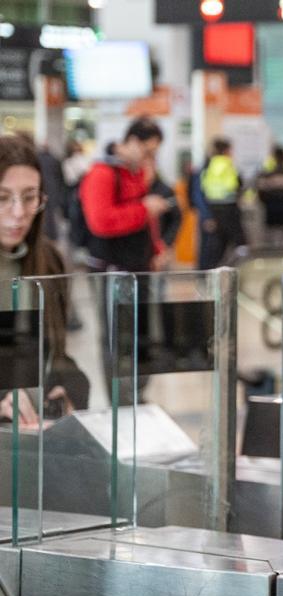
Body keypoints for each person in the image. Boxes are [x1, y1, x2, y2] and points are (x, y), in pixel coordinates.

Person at [0, 135, 89, 425]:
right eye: (3, 198)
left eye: (30, 197)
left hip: (33, 434)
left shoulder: (49, 260)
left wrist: (68, 389)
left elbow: (58, 357)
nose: (18, 213)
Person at [78, 117, 170, 272]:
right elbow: (100, 222)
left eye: (153, 154)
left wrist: (156, 250)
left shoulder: (136, 173)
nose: (150, 159)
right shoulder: (102, 173)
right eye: (147, 152)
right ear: (133, 142)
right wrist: (144, 209)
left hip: (137, 263)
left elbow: (146, 221)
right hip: (110, 268)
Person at [199, 137, 245, 269]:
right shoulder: (227, 163)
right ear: (226, 150)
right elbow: (235, 184)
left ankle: (210, 273)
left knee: (217, 245)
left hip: (213, 208)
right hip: (229, 207)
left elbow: (203, 189)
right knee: (240, 243)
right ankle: (242, 272)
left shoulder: (209, 164)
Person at [256, 144, 283, 248]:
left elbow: (260, 192)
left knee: (272, 238)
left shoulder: (267, 171)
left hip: (271, 210)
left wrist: (265, 202)